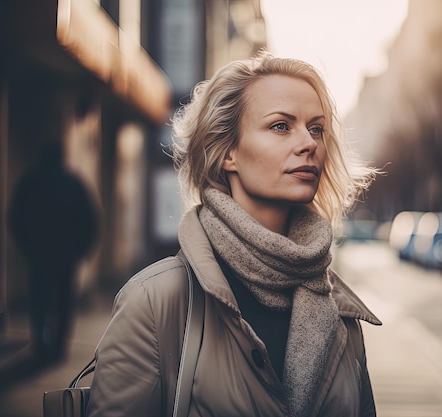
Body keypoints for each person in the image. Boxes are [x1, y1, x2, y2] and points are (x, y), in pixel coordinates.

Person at [87, 51, 381, 417]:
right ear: (228, 152)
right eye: (280, 126)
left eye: (316, 128)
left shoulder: (342, 316)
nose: (309, 144)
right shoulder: (156, 302)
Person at [9, 141, 98, 363]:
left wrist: (26, 246)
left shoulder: (30, 182)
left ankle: (40, 344)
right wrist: (82, 249)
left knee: (39, 299)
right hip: (66, 254)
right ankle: (59, 346)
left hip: (38, 253)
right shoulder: (74, 184)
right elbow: (90, 219)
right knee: (64, 301)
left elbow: (15, 216)